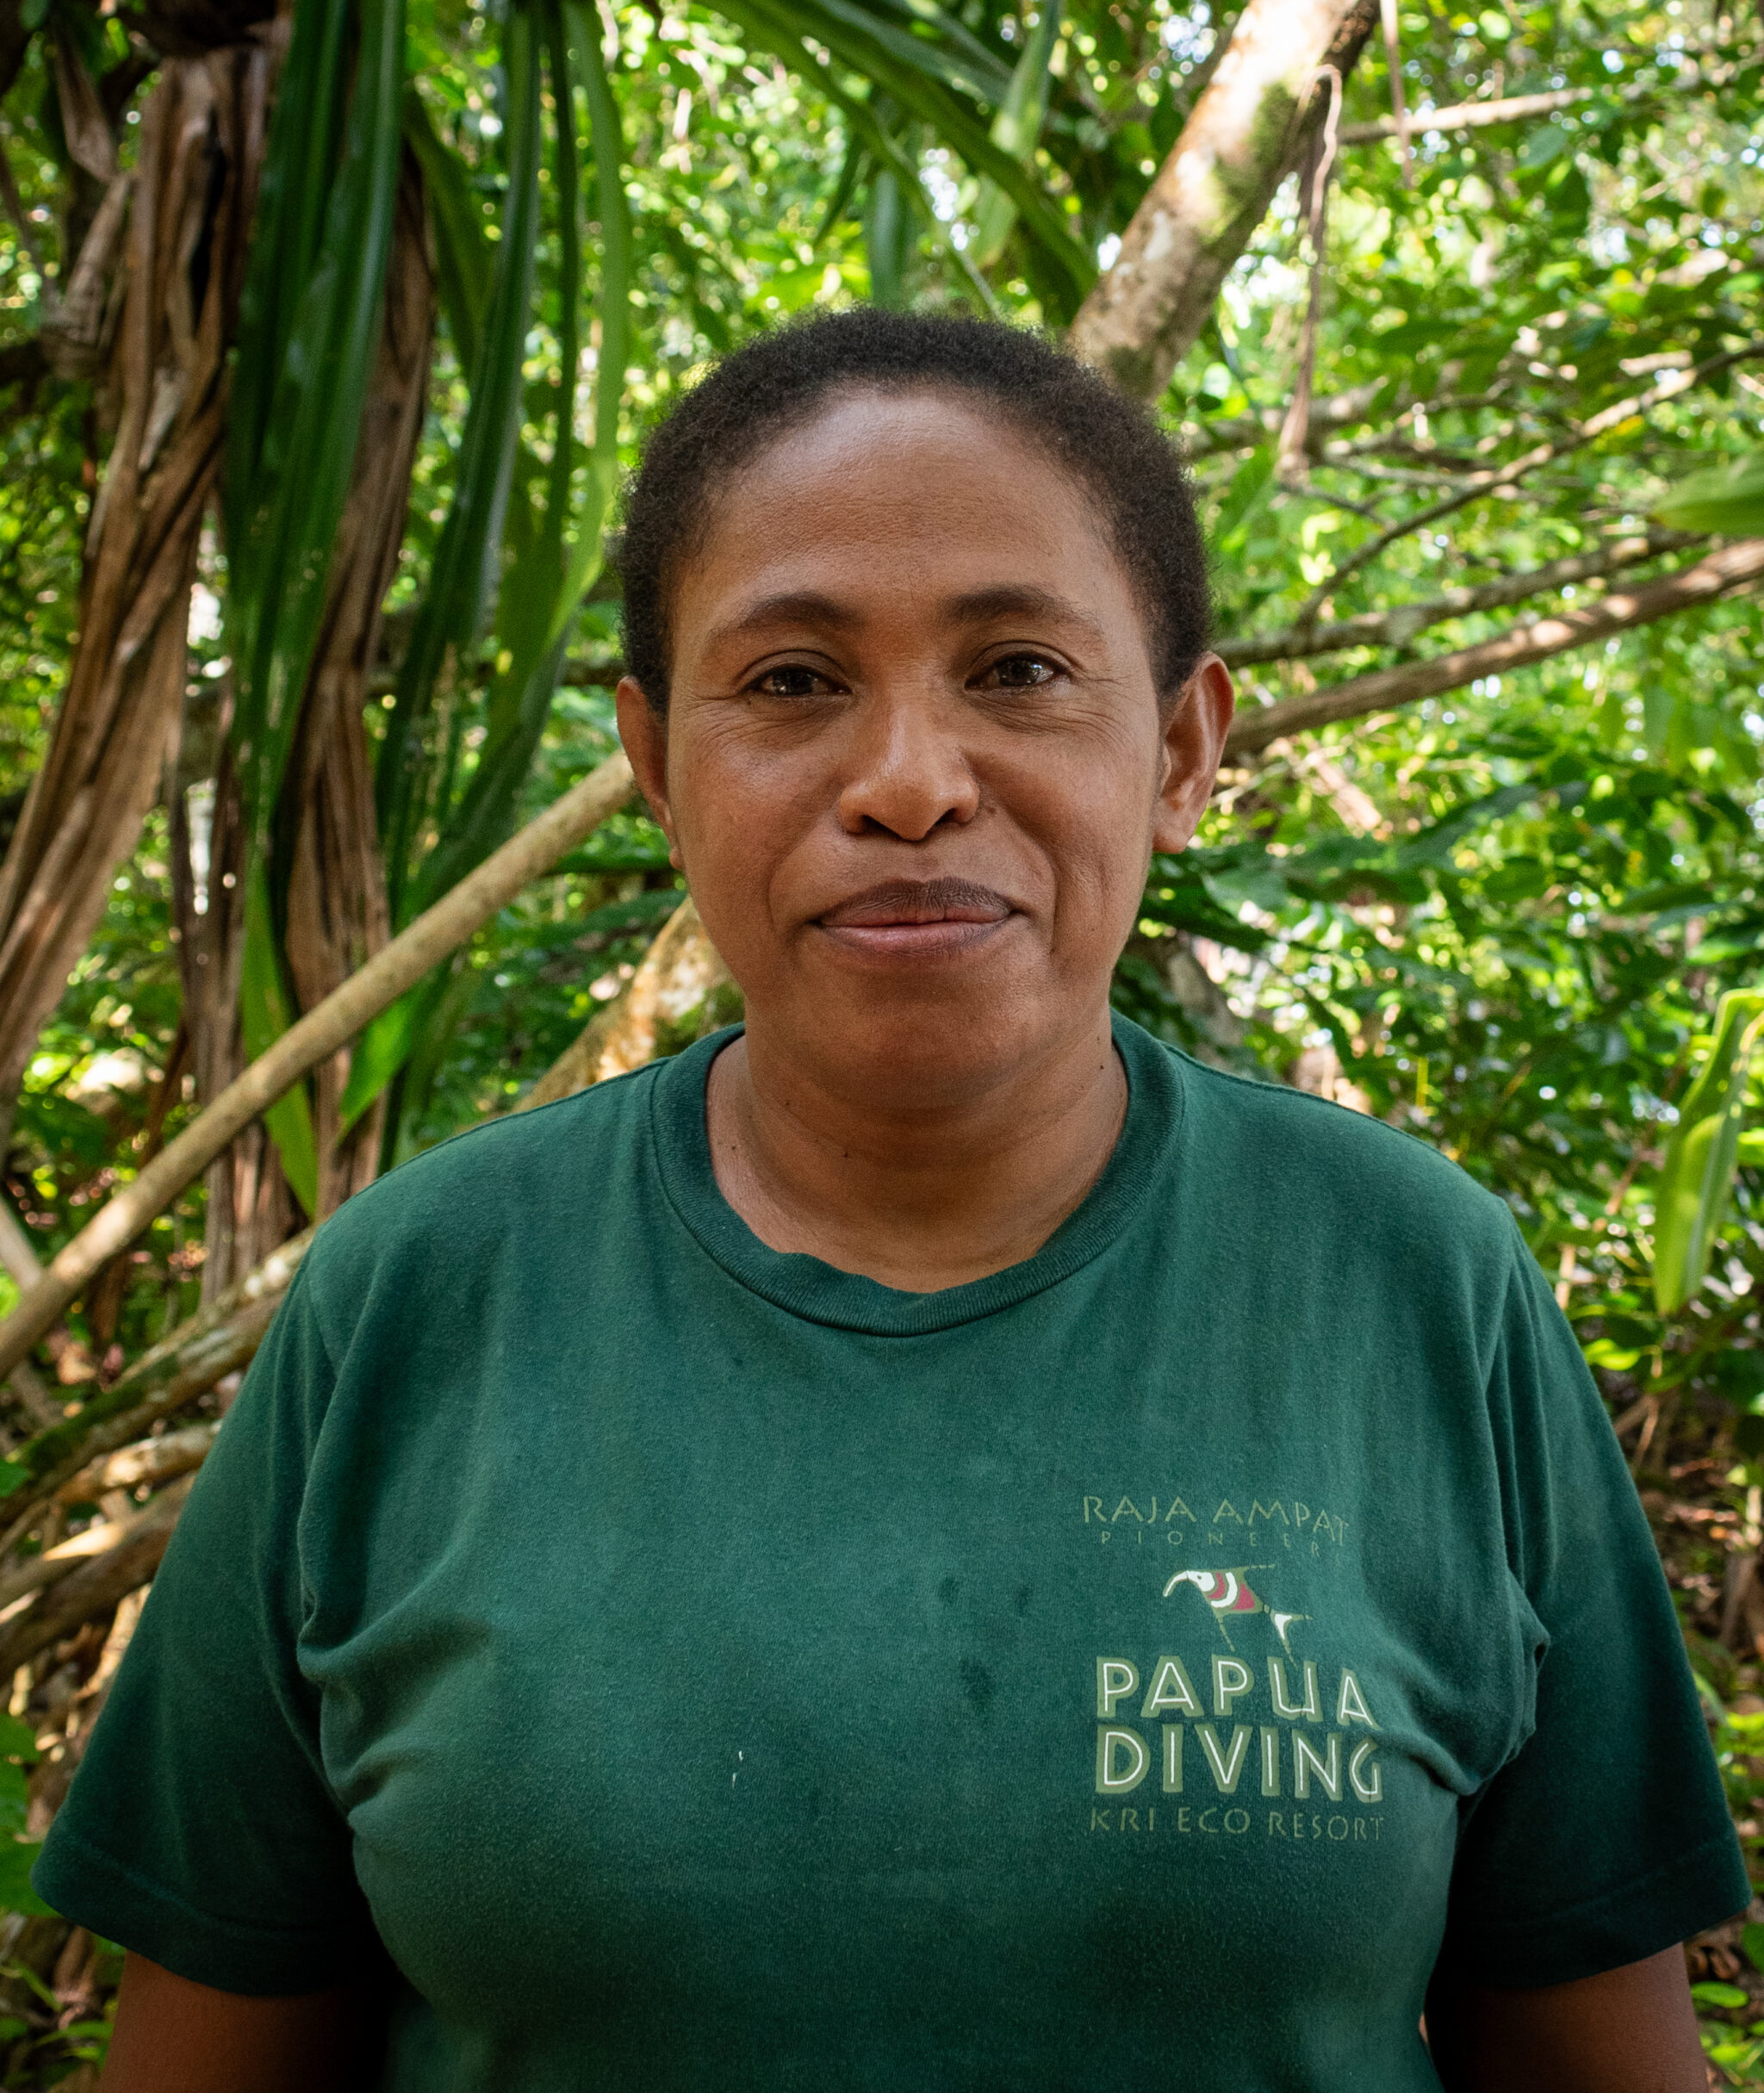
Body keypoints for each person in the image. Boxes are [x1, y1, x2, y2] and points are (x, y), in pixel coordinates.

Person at [37, 312, 1746, 2091]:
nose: (911, 783)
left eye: (1018, 668)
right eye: (791, 682)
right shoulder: (418, 1298)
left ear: (1180, 749)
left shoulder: (1415, 1283)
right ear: (654, 765)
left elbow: (1597, 2055)